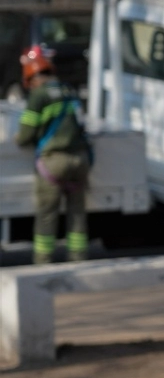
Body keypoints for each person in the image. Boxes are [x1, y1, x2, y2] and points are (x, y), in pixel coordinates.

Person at [15, 46, 91, 264]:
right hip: (80, 160)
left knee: (47, 215)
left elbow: (25, 135)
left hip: (54, 163)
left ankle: (43, 262)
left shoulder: (39, 96)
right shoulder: (68, 89)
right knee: (77, 213)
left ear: (31, 78)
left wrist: (19, 139)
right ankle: (79, 259)